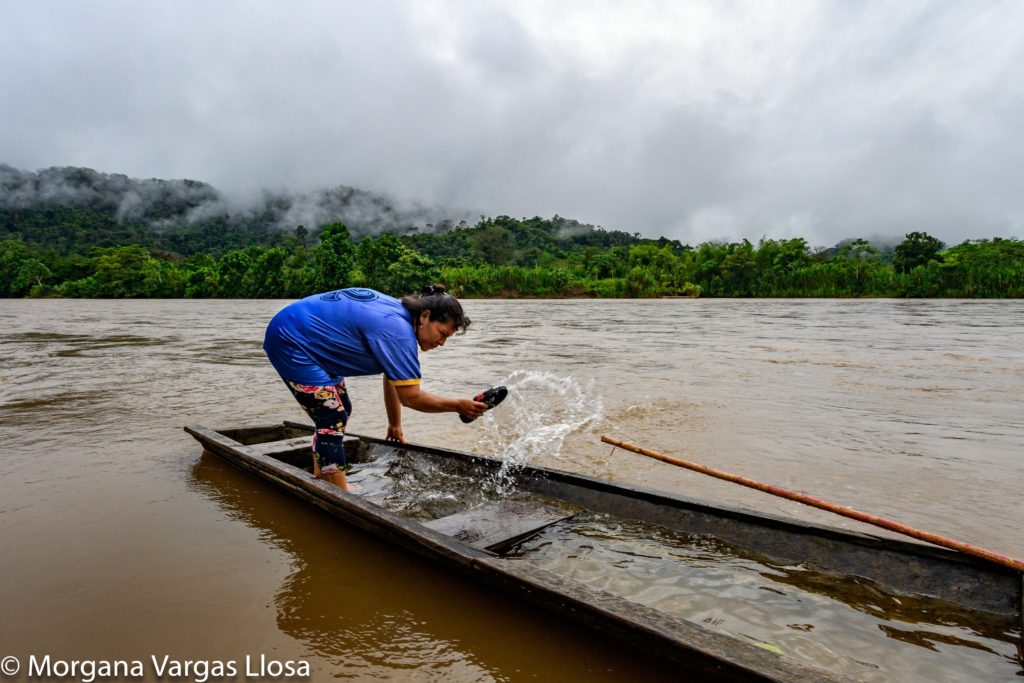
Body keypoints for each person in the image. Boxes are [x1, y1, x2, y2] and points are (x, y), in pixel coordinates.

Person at [263, 284, 487, 492]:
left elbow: (393, 378)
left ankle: (324, 475)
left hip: (312, 341)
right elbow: (411, 397)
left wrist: (394, 425)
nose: (441, 343)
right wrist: (458, 405)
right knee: (331, 416)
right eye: (443, 334)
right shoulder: (397, 331)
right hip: (291, 340)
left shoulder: (401, 321)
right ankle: (337, 491)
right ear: (425, 316)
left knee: (340, 409)